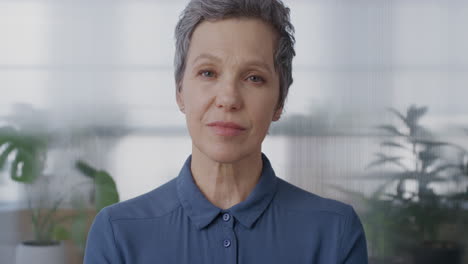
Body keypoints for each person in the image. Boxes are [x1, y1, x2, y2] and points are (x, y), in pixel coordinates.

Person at [84, 0, 368, 263]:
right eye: (208, 73)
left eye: (254, 78)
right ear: (180, 91)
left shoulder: (335, 232)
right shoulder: (117, 233)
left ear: (280, 102)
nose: (229, 98)